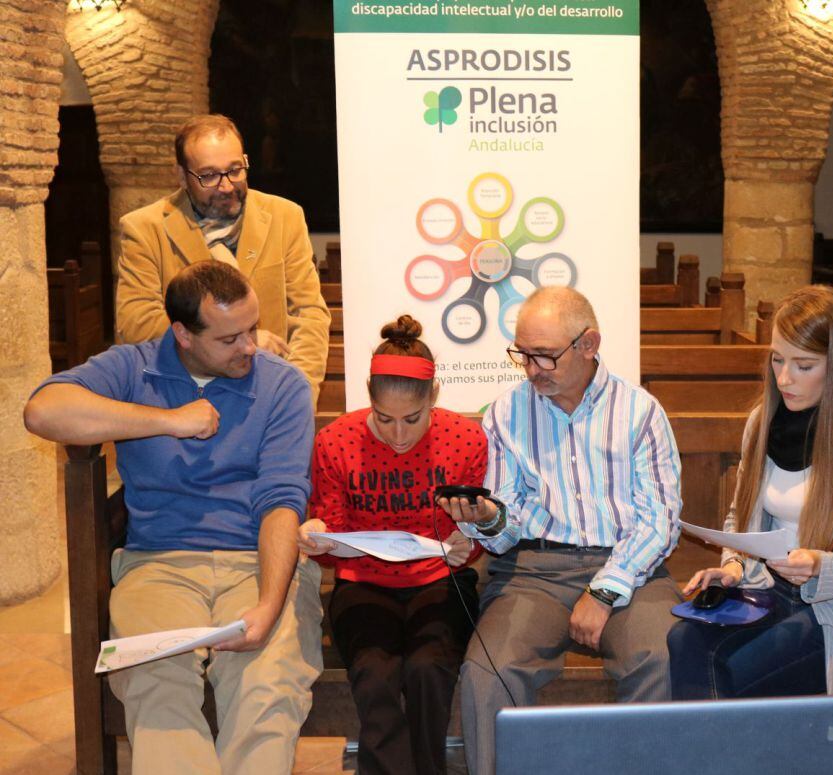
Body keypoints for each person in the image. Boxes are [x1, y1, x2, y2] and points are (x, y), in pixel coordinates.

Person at [23, 262, 323, 775]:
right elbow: (42, 412)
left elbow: (281, 500)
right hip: (157, 564)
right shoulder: (134, 368)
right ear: (182, 334)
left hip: (259, 560)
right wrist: (170, 421)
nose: (250, 346)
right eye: (230, 338)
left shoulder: (284, 386)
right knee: (156, 686)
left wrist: (269, 606)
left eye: (252, 328)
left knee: (267, 690)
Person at [441, 286, 683, 775]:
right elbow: (507, 526)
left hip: (630, 568)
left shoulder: (640, 412)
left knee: (664, 659)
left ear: (589, 344)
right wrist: (489, 519)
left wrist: (605, 589)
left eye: (545, 356)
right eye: (522, 355)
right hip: (532, 570)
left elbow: (660, 520)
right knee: (488, 673)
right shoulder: (507, 412)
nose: (531, 370)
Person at [668, 284, 833, 699]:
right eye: (778, 360)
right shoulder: (763, 421)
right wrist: (733, 568)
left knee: (735, 669)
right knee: (683, 642)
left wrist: (817, 563)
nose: (784, 378)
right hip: (769, 586)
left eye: (804, 365)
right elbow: (737, 518)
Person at [298, 315, 487, 775]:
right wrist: (319, 537)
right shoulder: (336, 442)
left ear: (435, 398)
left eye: (412, 419)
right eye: (384, 419)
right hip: (363, 582)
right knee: (375, 674)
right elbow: (330, 540)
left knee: (428, 669)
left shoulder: (465, 439)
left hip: (441, 579)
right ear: (369, 399)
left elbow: (482, 533)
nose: (399, 435)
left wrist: (470, 541)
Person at [115, 113, 330, 401]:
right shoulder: (145, 228)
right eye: (209, 176)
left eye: (235, 170)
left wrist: (297, 394)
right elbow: (137, 324)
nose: (227, 185)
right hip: (183, 397)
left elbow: (308, 316)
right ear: (181, 175)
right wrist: (243, 341)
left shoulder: (285, 216)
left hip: (268, 392)